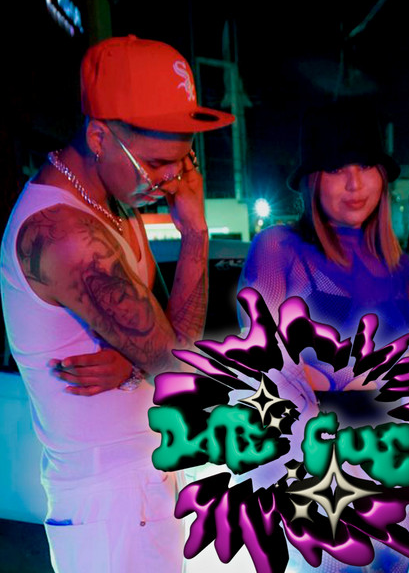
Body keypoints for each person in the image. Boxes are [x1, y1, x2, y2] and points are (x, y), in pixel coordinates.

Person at [0, 35, 234, 572]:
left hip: (141, 483)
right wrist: (196, 236)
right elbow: (178, 365)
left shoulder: (114, 208)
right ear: (99, 137)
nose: (173, 182)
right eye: (157, 163)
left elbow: (168, 340)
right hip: (109, 500)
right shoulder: (64, 236)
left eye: (183, 162)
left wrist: (135, 362)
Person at [238, 100, 409, 572]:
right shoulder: (279, 248)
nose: (355, 183)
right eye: (336, 168)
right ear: (313, 180)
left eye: (367, 166)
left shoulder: (400, 264)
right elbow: (264, 362)